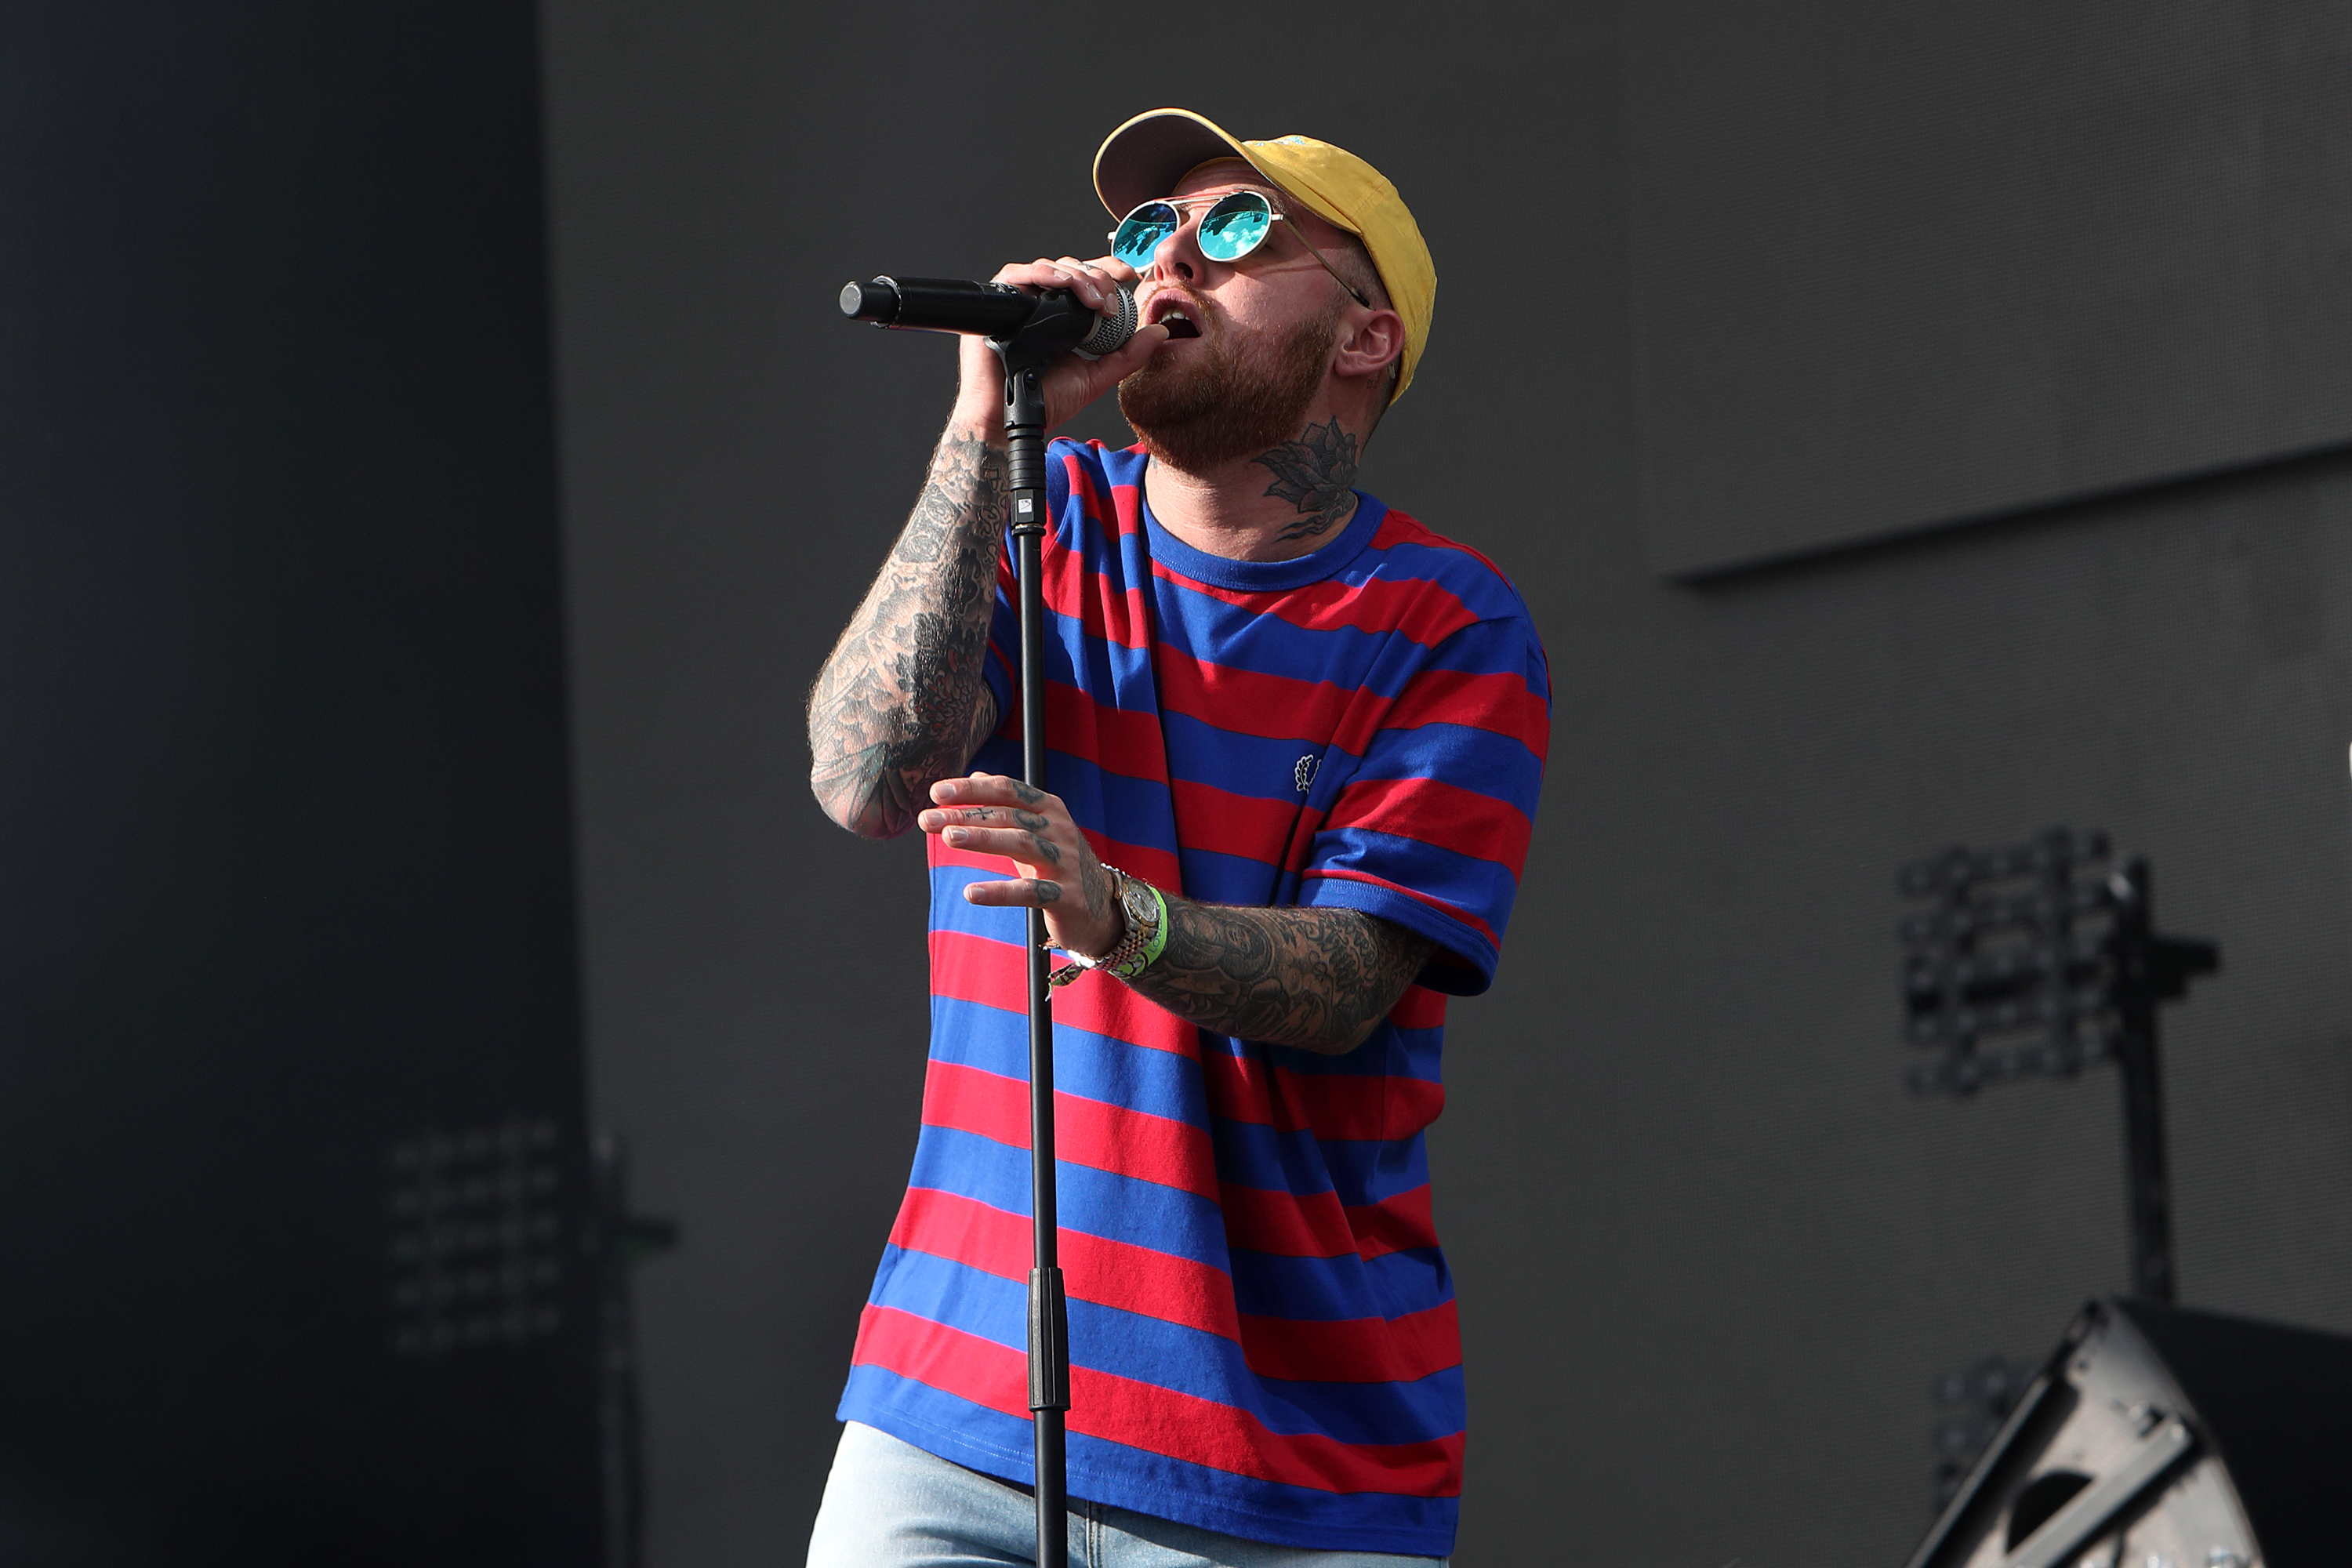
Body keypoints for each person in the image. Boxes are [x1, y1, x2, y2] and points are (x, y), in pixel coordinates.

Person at [802, 108, 1549, 1567]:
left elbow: (1349, 981)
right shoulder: (1041, 521)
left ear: (1364, 338)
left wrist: (1116, 917)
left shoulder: (1447, 623)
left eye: (1238, 233)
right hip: (949, 1422)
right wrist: (983, 420)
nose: (1167, 266)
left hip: (1285, 1471)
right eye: (1150, 233)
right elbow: (864, 776)